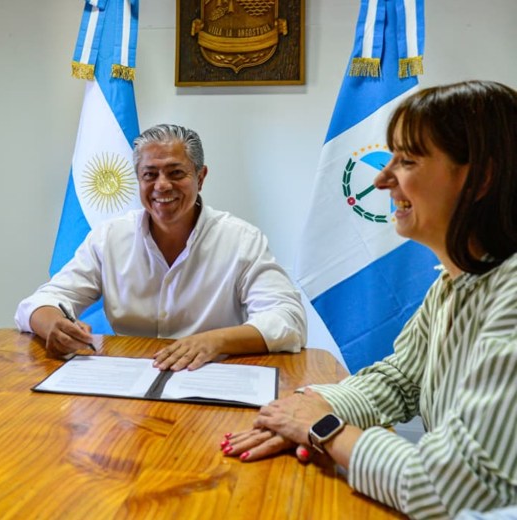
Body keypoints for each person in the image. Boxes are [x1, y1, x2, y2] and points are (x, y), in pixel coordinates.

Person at [222, 80, 517, 518]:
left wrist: (323, 428)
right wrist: (309, 409)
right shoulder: (456, 283)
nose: (381, 178)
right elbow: (399, 380)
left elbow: (445, 488)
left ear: (480, 177)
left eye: (407, 160)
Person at [15, 124, 306, 369]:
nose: (162, 185)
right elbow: (40, 302)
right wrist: (53, 324)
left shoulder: (241, 240)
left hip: (211, 378)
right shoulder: (109, 238)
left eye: (176, 173)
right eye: (150, 174)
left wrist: (214, 340)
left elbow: (288, 319)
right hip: (126, 382)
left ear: (200, 177)